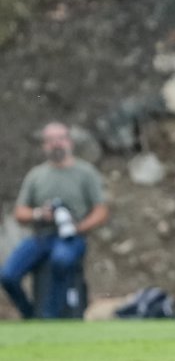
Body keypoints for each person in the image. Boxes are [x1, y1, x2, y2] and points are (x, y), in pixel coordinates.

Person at [2, 122, 108, 319]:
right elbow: (20, 212)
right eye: (50, 140)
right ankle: (30, 314)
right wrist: (39, 214)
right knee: (8, 275)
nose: (56, 144)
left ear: (69, 142)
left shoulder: (85, 173)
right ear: (44, 145)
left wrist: (78, 227)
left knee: (61, 260)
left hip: (71, 237)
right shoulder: (36, 175)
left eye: (60, 138)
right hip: (42, 236)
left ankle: (51, 315)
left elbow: (101, 211)